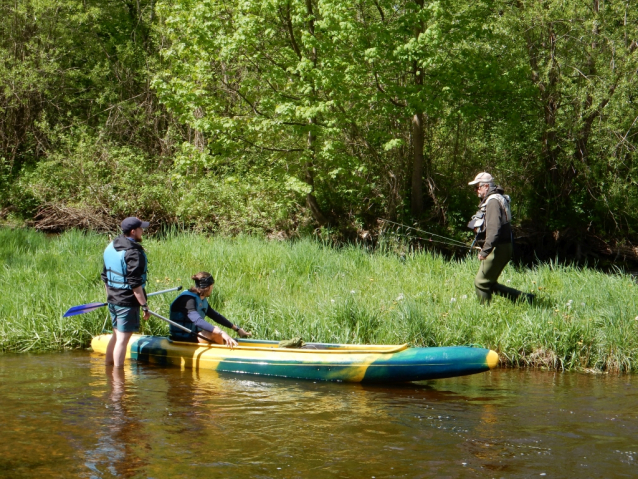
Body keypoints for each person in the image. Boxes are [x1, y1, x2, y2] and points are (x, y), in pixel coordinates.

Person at [467, 172, 533, 304]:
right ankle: (526, 299)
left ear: (486, 186)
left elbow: (494, 229)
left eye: (478, 187)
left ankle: (484, 313)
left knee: (481, 283)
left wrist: (485, 251)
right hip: (503, 247)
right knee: (489, 283)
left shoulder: (492, 202)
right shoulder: (496, 198)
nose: (476, 190)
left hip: (499, 248)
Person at [102, 217, 151, 366]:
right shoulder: (133, 252)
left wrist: (110, 296)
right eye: (141, 229)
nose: (143, 231)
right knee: (122, 340)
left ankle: (108, 369)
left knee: (116, 336)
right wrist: (144, 305)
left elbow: (105, 276)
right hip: (127, 302)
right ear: (133, 231)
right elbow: (135, 283)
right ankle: (118, 380)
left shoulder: (111, 246)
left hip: (113, 298)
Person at [169, 272, 250, 347]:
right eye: (212, 286)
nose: (212, 288)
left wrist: (237, 329)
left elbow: (216, 316)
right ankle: (223, 355)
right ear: (207, 287)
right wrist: (220, 332)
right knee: (216, 333)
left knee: (216, 331)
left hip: (194, 336)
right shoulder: (187, 300)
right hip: (182, 338)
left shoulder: (200, 299)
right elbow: (197, 321)